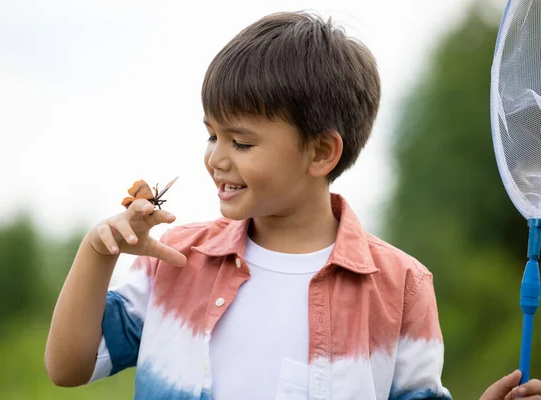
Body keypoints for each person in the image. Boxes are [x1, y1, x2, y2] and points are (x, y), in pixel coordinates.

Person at [44, 11, 541, 400]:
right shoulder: (175, 259)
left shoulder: (402, 288)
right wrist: (97, 253)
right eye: (211, 134)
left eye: (240, 142)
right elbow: (68, 368)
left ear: (321, 152)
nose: (215, 158)